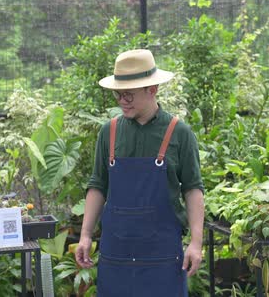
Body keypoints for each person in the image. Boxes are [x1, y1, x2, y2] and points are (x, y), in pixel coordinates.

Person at [75, 49, 205, 296]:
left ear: (152, 89)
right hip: (116, 254)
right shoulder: (109, 132)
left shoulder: (179, 133)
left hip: (163, 254)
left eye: (129, 94)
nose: (122, 101)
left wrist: (196, 243)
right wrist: (85, 235)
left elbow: (193, 190)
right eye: (118, 94)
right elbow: (98, 186)